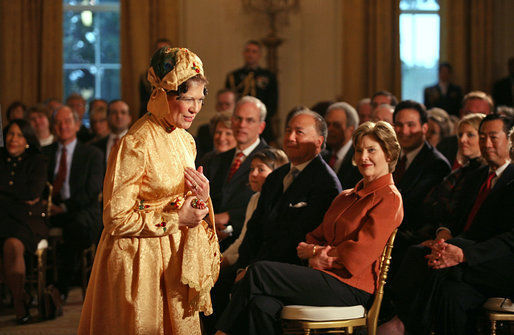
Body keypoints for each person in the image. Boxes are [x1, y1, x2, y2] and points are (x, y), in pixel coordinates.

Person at [78, 47, 220, 335]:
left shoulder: (186, 140)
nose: (195, 108)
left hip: (174, 255)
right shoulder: (136, 143)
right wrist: (175, 219)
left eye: (200, 100)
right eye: (187, 99)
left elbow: (182, 201)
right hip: (137, 258)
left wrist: (202, 198)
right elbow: (115, 218)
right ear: (164, 95)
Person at [214, 121, 404, 335]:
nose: (362, 157)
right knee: (261, 305)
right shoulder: (346, 196)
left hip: (352, 287)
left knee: (257, 271)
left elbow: (358, 254)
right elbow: (314, 236)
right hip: (323, 276)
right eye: (359, 150)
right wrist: (316, 253)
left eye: (371, 150)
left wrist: (318, 252)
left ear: (388, 154)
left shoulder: (389, 197)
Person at [203, 109, 341, 334]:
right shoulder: (276, 177)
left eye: (299, 132)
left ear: (319, 142)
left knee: (260, 304)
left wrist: (255, 272)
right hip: (259, 266)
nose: (291, 137)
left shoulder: (326, 183)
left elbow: (302, 238)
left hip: (292, 271)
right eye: (288, 131)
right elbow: (253, 230)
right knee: (212, 283)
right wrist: (244, 266)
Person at [378, 114, 514, 335]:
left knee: (433, 263)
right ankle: (399, 320)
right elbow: (455, 219)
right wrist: (444, 236)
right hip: (469, 254)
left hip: (497, 260)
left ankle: (402, 324)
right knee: (451, 291)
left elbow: (509, 239)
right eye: (482, 137)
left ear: (509, 140)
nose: (486, 143)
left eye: (493, 137)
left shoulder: (512, 179)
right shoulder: (477, 175)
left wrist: (462, 254)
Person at [43, 106, 104, 300]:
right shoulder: (44, 153)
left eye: (68, 121)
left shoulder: (92, 154)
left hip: (81, 211)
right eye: (58, 122)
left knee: (75, 227)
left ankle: (60, 289)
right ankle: (34, 288)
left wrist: (64, 207)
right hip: (48, 210)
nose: (63, 126)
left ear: (77, 125)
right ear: (53, 127)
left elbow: (91, 191)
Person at [205, 96, 269, 252]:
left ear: (261, 127)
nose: (242, 125)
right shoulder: (218, 159)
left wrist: (229, 218)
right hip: (208, 237)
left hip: (246, 245)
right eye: (238, 119)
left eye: (249, 120)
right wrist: (209, 221)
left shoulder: (270, 161)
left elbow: (267, 207)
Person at [0, 119, 49, 324]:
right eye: (11, 134)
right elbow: (25, 193)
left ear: (27, 140)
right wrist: (15, 195)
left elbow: (33, 192)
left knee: (12, 244)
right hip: (3, 216)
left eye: (19, 135)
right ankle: (21, 295)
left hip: (27, 220)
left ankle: (19, 302)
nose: (14, 139)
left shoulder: (37, 160)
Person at [221, 148, 288, 267]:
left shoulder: (278, 202)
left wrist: (227, 261)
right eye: (252, 169)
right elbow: (243, 239)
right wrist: (221, 258)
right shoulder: (255, 198)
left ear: (277, 173)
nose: (253, 174)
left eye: (261, 169)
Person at [423, 113, 486, 234]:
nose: (462, 140)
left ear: (483, 138)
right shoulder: (458, 173)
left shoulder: (486, 174)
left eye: (470, 135)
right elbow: (429, 206)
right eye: (460, 135)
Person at [225, 40, 278, 142]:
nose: (250, 54)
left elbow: (273, 103)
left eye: (254, 51)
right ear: (243, 53)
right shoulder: (234, 76)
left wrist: (256, 120)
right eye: (248, 51)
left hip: (262, 123)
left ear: (259, 55)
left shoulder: (268, 76)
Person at [322, 102, 362, 189]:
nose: (330, 129)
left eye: (336, 125)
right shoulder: (323, 157)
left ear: (351, 130)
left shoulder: (359, 159)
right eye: (327, 124)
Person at [93, 99, 132, 165]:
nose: (119, 116)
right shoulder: (96, 147)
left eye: (123, 112)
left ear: (130, 118)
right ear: (107, 117)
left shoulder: (139, 144)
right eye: (114, 112)